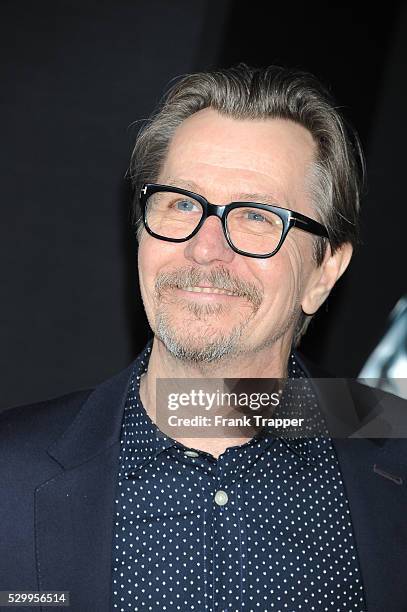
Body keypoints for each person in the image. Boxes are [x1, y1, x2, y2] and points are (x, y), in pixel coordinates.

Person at [1, 64, 406, 612]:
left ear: (325, 271)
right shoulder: (9, 475)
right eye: (182, 203)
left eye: (258, 217)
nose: (205, 249)